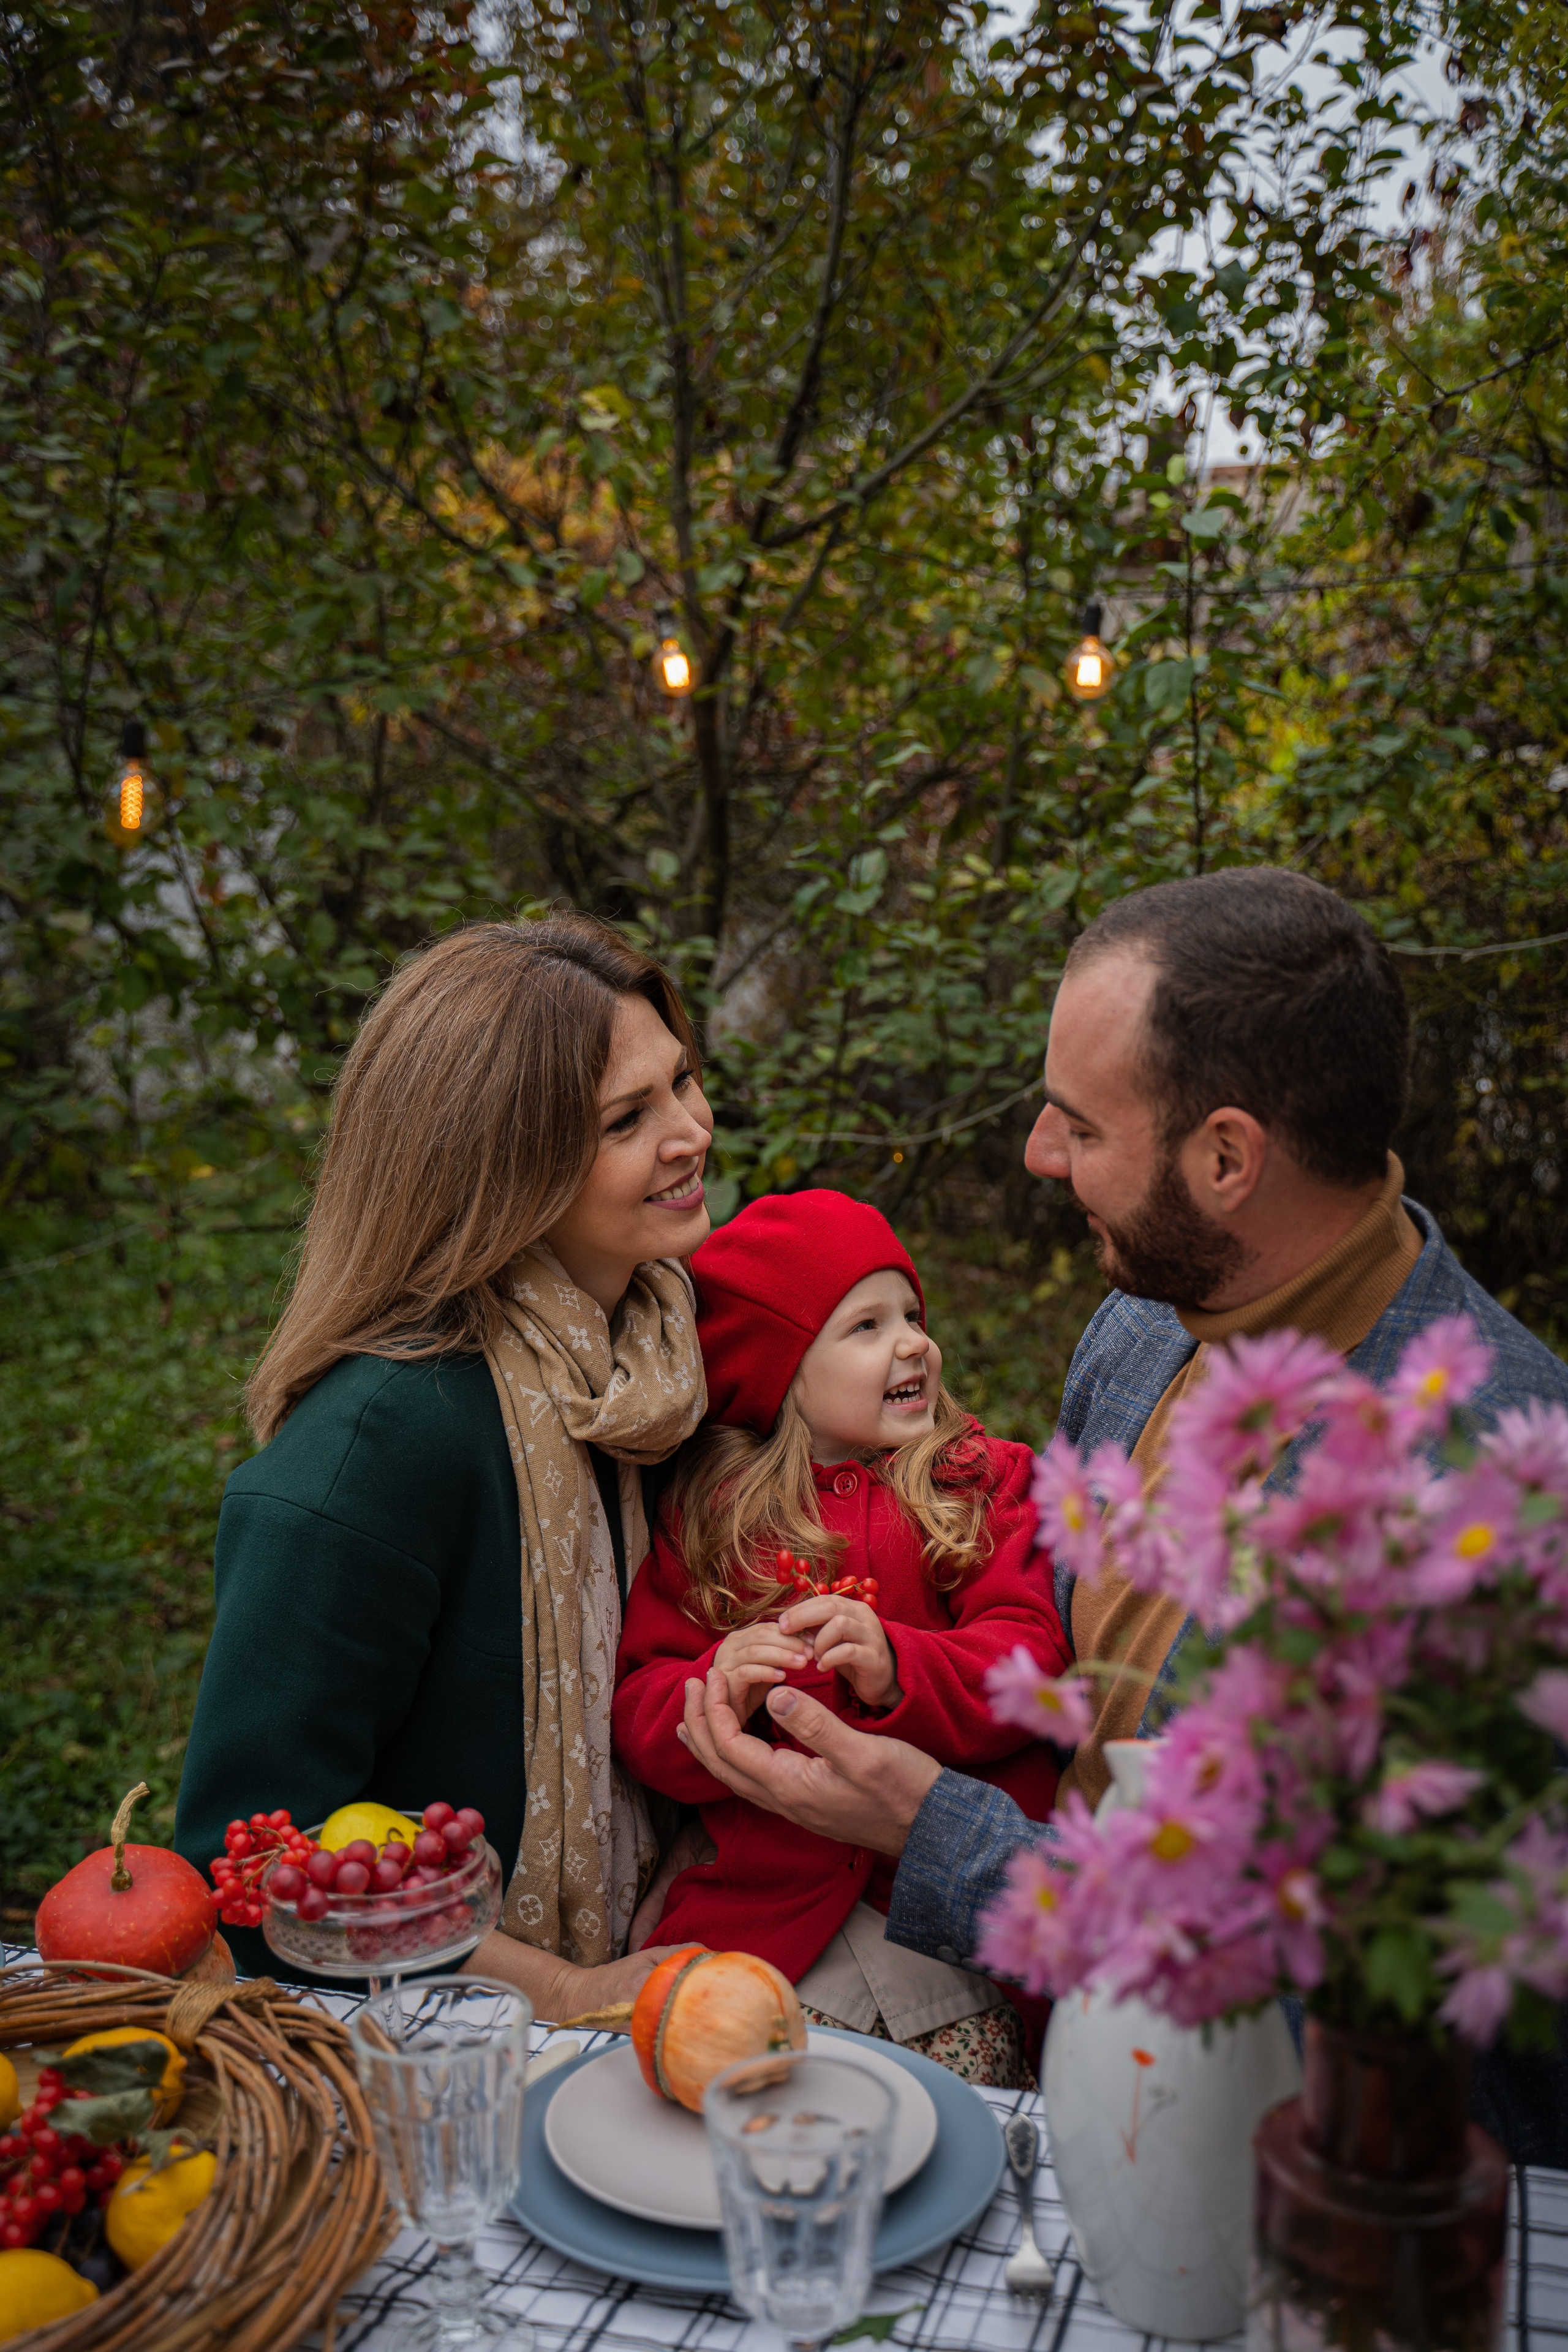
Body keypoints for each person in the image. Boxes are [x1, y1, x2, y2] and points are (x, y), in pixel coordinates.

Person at [674, 867, 1568, 2160]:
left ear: (1223, 1157)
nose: (1039, 1156)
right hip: (1078, 2069)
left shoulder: (1482, 1499)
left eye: (1078, 1127)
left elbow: (1309, 1984)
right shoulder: (1144, 1327)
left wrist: (931, 1832)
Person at [174, 914, 712, 2021]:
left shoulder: (660, 1364)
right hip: (444, 2049)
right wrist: (565, 1990)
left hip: (673, 1943)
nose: (692, 1131)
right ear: (502, 1165)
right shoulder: (382, 1444)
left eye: (685, 1082)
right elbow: (251, 1866)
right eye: (628, 1118)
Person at [614, 1191, 1068, 2085]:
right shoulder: (717, 1521)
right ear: (780, 1372)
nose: (913, 1343)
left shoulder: (976, 1484)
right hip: (773, 1921)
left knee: (944, 2105)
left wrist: (906, 1665)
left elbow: (1031, 1655)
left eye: (911, 1313)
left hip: (939, 1926)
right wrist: (717, 1686)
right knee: (724, 2088)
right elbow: (640, 1707)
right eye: (864, 1325)